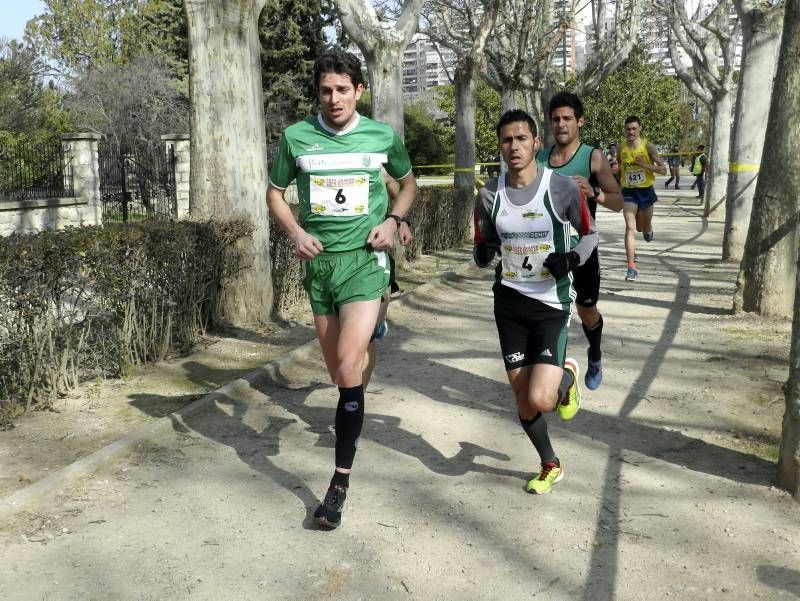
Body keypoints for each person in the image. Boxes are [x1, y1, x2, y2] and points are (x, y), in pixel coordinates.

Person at [266, 49, 417, 529]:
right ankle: (376, 326)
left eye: (343, 90)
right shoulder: (296, 139)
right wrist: (294, 232)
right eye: (326, 91)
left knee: (350, 367)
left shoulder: (381, 136)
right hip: (321, 270)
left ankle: (338, 484)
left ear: (359, 91)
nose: (334, 99)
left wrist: (394, 220)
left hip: (366, 264)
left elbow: (408, 184)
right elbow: (274, 194)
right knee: (338, 373)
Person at [473, 109, 598, 495]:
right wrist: (483, 252)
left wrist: (573, 258)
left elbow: (590, 236)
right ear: (500, 145)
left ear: (536, 143)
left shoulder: (561, 188)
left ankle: (568, 373)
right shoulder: (489, 194)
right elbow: (482, 249)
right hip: (509, 303)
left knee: (541, 398)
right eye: (507, 140)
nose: (514, 146)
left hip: (550, 302)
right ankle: (550, 464)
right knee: (523, 401)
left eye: (521, 139)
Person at [536, 92, 623, 391]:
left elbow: (619, 201)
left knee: (586, 311)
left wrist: (593, 193)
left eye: (567, 118)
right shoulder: (541, 159)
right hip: (548, 250)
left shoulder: (592, 157)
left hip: (583, 249)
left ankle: (595, 353)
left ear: (579, 121)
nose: (561, 124)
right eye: (556, 119)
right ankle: (553, 378)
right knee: (550, 313)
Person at [616, 116, 667, 281]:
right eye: (628, 129)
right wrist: (615, 172)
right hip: (629, 192)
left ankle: (648, 229)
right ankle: (631, 268)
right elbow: (619, 168)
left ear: (639, 129)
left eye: (634, 129)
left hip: (646, 191)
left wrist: (645, 165)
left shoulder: (648, 147)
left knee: (641, 229)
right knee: (630, 228)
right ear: (624, 130)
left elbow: (663, 170)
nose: (630, 132)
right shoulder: (620, 148)